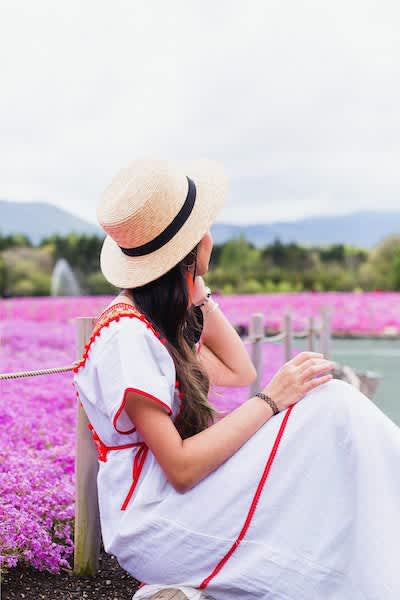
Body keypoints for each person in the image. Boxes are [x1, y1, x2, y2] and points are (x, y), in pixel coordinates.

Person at [73, 159, 400, 600]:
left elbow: (237, 370)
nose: (211, 234)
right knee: (333, 408)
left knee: (332, 407)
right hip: (155, 522)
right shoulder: (127, 337)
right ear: (190, 246)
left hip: (174, 506)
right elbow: (183, 468)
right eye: (203, 228)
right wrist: (271, 399)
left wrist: (195, 287)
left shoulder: (152, 320)